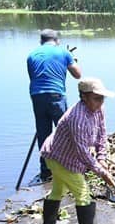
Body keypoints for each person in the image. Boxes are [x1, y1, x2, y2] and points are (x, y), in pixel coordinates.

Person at [39, 78, 115, 224]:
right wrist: (101, 172)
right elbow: (82, 152)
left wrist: (102, 158)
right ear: (84, 97)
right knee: (82, 192)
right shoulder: (77, 118)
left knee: (58, 189)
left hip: (68, 155)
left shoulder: (98, 109)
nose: (101, 101)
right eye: (97, 98)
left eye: (102, 98)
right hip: (58, 157)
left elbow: (102, 134)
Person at [27, 28, 82, 181]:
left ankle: (46, 171)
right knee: (65, 131)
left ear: (41, 41)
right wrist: (72, 60)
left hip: (37, 97)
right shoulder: (63, 53)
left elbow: (34, 77)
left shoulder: (32, 55)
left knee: (43, 133)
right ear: (57, 41)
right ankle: (68, 167)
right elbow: (78, 75)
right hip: (56, 96)